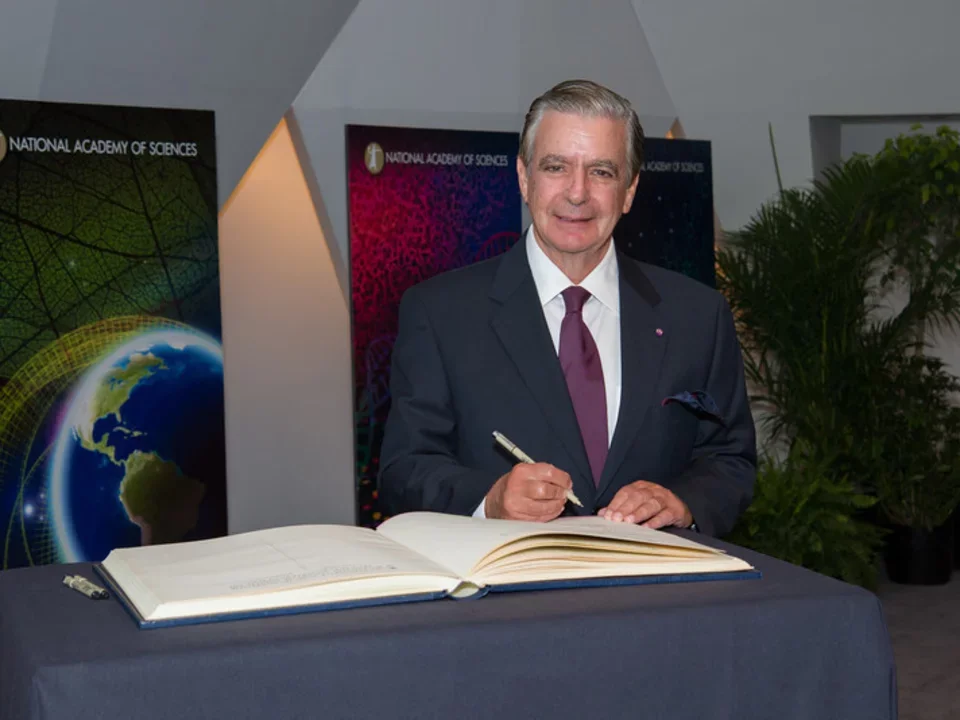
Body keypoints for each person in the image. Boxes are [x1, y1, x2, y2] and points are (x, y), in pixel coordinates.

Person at [378, 79, 756, 537]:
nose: (577, 193)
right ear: (524, 178)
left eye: (602, 171)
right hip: (506, 598)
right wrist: (490, 499)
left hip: (657, 598)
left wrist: (681, 501)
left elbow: (729, 460)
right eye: (556, 167)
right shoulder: (440, 313)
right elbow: (404, 471)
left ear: (630, 190)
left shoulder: (698, 315)